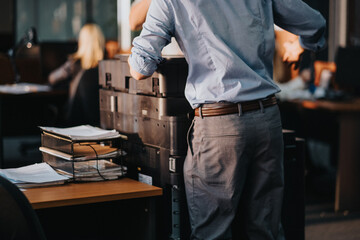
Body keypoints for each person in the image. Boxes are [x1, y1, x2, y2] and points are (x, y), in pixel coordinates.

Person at [128, 0, 326, 239]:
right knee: (266, 230)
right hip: (267, 120)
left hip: (220, 127)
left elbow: (141, 68)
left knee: (213, 233)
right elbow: (315, 23)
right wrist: (303, 45)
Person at [48, 23, 105, 127]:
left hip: (74, 120)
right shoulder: (105, 66)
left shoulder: (73, 64)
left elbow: (52, 79)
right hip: (97, 122)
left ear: (82, 41)